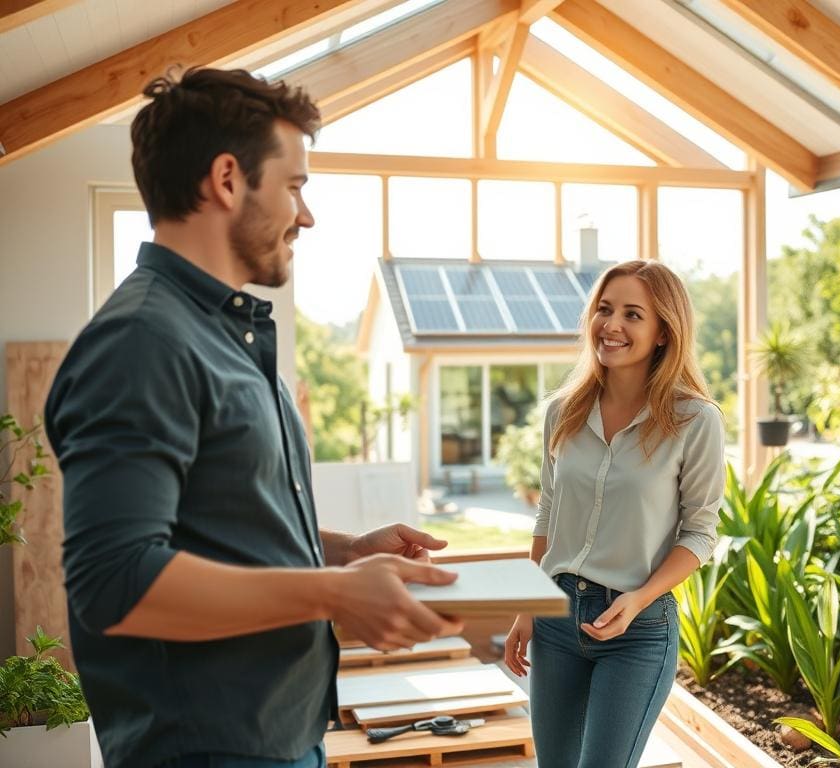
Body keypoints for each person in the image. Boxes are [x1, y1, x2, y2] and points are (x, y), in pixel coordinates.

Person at [44, 67, 462, 768]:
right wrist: (333, 591)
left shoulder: (219, 333)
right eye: (295, 185)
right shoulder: (144, 341)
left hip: (278, 738)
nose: (307, 214)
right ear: (228, 179)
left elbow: (219, 521)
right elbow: (115, 582)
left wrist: (342, 551)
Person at [503, 259, 725, 768]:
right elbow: (550, 513)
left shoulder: (695, 420)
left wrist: (639, 597)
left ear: (664, 331)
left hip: (638, 630)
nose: (612, 325)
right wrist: (527, 605)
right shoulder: (563, 411)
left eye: (632, 314)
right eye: (604, 309)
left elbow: (699, 533)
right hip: (556, 618)